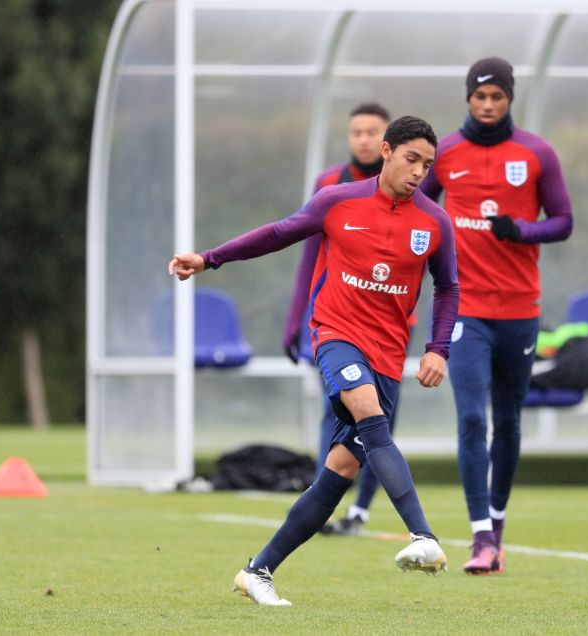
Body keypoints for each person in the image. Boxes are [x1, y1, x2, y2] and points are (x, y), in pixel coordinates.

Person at [169, 115, 459, 606]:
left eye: (427, 165)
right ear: (386, 152)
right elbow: (279, 233)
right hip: (337, 336)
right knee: (366, 408)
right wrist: (209, 257)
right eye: (411, 159)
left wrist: (437, 347)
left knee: (339, 472)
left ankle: (257, 571)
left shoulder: (434, 221)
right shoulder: (338, 200)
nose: (418, 172)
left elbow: (448, 285)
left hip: (389, 354)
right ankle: (422, 536)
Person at [420, 57, 573, 575]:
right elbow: (417, 209)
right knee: (470, 417)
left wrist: (522, 231)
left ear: (509, 99)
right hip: (465, 310)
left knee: (507, 421)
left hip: (520, 310)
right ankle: (480, 536)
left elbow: (564, 222)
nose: (487, 106)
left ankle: (499, 525)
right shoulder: (446, 153)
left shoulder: (536, 153)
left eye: (497, 98)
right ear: (468, 98)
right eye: (480, 97)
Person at [282, 102, 410, 536]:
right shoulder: (332, 184)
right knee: (336, 410)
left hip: (388, 328)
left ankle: (362, 510)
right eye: (356, 131)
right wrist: (294, 319)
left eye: (372, 131)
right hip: (334, 324)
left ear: (388, 142)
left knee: (380, 417)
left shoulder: (411, 193)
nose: (363, 139)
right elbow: (306, 252)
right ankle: (325, 502)